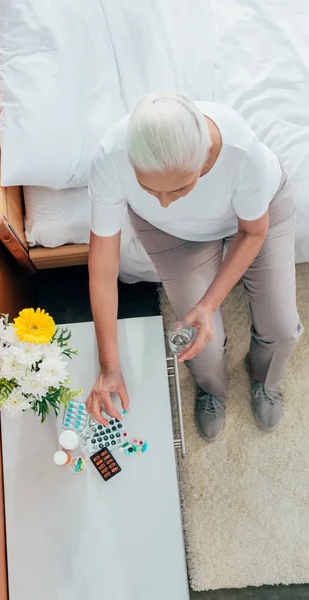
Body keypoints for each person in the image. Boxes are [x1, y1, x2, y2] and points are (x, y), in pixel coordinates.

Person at [86, 93, 303, 442]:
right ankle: (212, 388)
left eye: (180, 187)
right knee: (196, 342)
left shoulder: (241, 152)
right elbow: (103, 267)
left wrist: (209, 304)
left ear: (204, 161)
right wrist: (109, 366)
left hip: (254, 218)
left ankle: (264, 378)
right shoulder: (109, 159)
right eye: (148, 188)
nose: (165, 202)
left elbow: (253, 232)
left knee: (281, 326)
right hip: (173, 234)